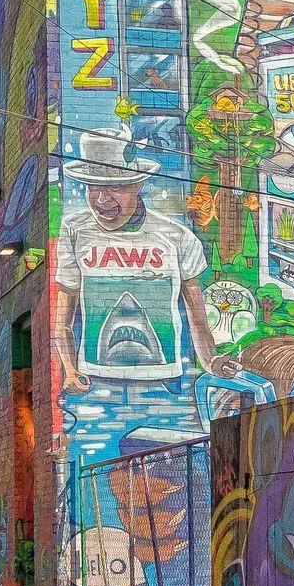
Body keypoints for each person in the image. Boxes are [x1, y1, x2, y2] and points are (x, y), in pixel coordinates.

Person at [54, 128, 219, 405]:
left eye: (115, 187)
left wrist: (212, 362)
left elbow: (197, 317)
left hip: (165, 382)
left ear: (138, 184)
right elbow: (62, 318)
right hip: (94, 382)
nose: (102, 199)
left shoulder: (177, 237)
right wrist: (70, 370)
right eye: (93, 187)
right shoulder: (74, 229)